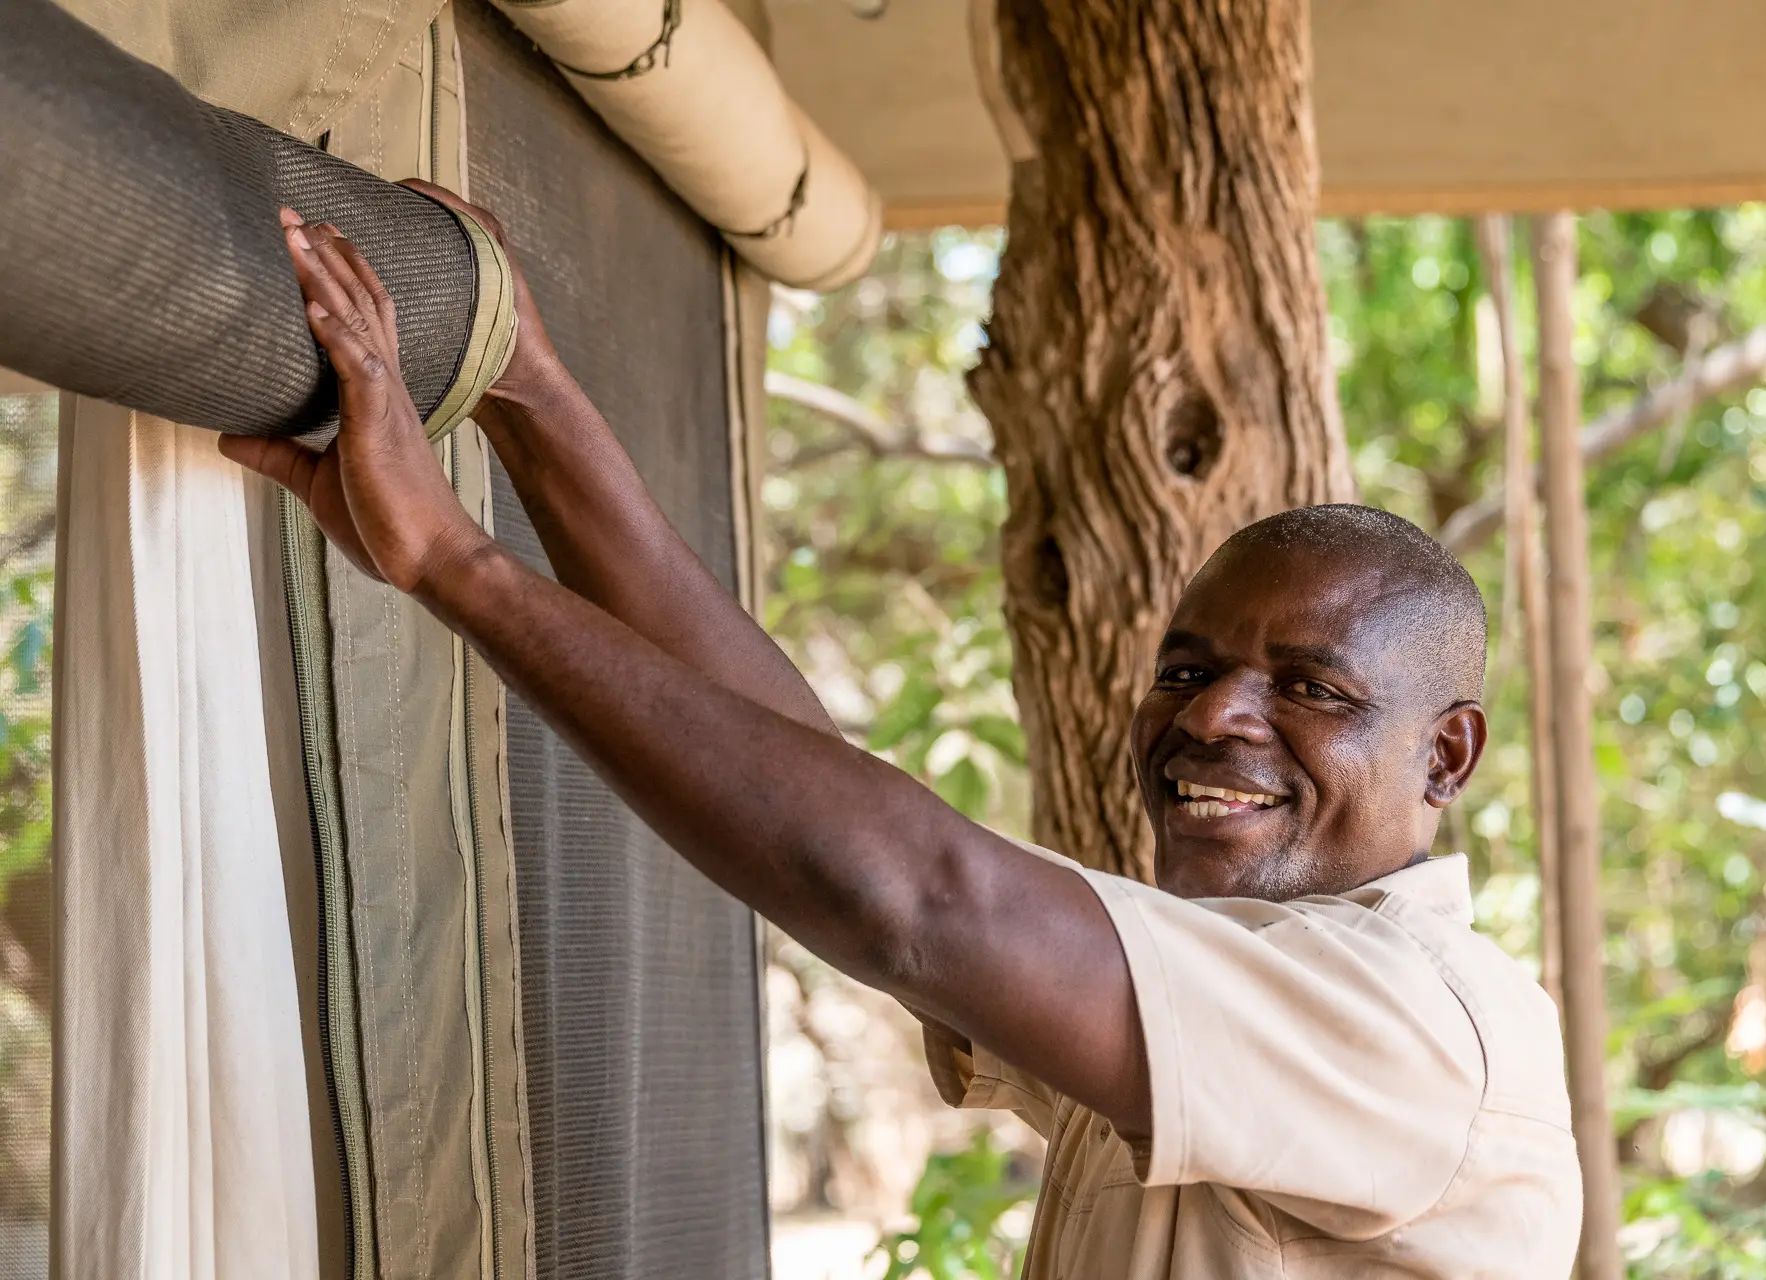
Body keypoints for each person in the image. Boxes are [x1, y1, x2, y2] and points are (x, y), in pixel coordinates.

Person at [222, 190, 1582, 1279]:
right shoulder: (1237, 984)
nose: (1216, 716)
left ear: (1447, 756)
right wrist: (528, 394)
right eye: (1189, 667)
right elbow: (811, 774)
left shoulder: (1420, 1026)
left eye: (1312, 690)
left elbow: (916, 896)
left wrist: (455, 565)